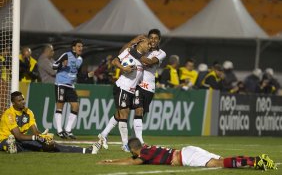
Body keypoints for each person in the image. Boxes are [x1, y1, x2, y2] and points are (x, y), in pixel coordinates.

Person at [0, 91, 100, 154]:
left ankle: (87, 150)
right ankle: (10, 146)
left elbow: (35, 132)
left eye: (23, 99)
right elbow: (18, 136)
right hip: (5, 138)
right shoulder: (9, 114)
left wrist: (43, 137)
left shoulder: (28, 112)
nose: (22, 102)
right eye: (19, 101)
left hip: (21, 141)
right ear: (13, 103)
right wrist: (36, 138)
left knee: (52, 145)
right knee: (11, 142)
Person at [97, 38, 151, 152]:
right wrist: (123, 67)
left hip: (131, 90)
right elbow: (114, 61)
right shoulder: (129, 52)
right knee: (124, 114)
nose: (149, 46)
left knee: (119, 114)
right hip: (123, 87)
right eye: (147, 43)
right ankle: (125, 144)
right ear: (140, 43)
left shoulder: (143, 59)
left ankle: (103, 134)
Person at [98, 137, 278, 171]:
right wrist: (112, 159)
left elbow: (131, 162)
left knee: (218, 164)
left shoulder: (143, 154)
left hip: (186, 157)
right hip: (188, 150)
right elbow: (132, 159)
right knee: (220, 160)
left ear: (132, 149)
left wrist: (108, 164)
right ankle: (257, 159)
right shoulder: (145, 148)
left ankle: (256, 161)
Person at [52, 39, 94, 139]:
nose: (81, 48)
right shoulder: (66, 55)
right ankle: (59, 130)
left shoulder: (80, 59)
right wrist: (62, 64)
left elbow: (78, 74)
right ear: (73, 47)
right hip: (61, 83)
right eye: (79, 46)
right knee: (60, 106)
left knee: (76, 106)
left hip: (71, 85)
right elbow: (54, 66)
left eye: (82, 46)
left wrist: (87, 75)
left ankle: (68, 130)